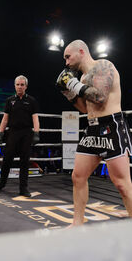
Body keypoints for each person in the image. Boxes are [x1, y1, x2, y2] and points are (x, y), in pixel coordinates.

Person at [56, 39, 132, 226]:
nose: (66, 62)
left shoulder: (104, 66)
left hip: (112, 126)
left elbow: (99, 97)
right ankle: (77, 223)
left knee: (122, 184)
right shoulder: (81, 79)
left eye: (68, 57)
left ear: (81, 51)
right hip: (92, 129)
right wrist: (68, 93)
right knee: (78, 176)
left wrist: (73, 85)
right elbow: (85, 108)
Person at [0, 75, 40, 197]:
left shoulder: (31, 101)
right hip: (12, 132)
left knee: (24, 161)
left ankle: (23, 188)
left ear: (26, 86)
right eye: (18, 84)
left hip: (26, 133)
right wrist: (0, 132)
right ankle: (1, 183)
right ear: (15, 86)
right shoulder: (10, 100)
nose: (20, 87)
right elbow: (5, 119)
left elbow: (35, 118)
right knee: (7, 159)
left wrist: (36, 133)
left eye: (22, 85)